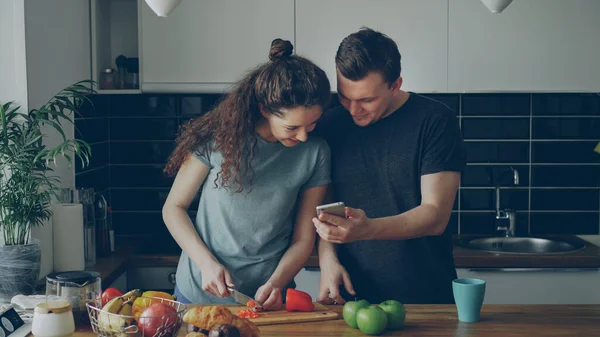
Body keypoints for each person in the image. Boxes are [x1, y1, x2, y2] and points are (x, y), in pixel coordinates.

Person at [162, 38, 332, 310]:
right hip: (198, 294)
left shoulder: (316, 153)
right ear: (265, 109)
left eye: (311, 125)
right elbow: (173, 208)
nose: (302, 136)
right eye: (292, 128)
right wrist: (206, 264)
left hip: (269, 299)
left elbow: (303, 239)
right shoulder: (218, 140)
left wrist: (277, 283)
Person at [312, 27, 466, 305]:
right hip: (350, 300)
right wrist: (327, 260)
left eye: (367, 100)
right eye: (345, 96)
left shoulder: (435, 120)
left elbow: (435, 215)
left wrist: (367, 228)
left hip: (425, 296)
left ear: (395, 85)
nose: (353, 109)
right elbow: (327, 208)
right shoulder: (329, 123)